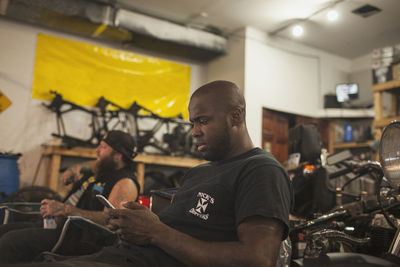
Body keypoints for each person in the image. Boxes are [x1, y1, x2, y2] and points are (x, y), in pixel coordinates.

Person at [10, 80, 293, 267]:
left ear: (236, 116)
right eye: (193, 122)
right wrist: (135, 223)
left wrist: (156, 232)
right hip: (123, 255)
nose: (194, 131)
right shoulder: (199, 173)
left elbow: (258, 259)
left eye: (203, 121)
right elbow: (177, 229)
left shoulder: (260, 170)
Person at [0, 130, 140, 263]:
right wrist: (72, 170)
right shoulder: (105, 167)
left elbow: (110, 220)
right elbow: (90, 164)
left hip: (77, 238)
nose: (97, 150)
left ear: (118, 156)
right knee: (3, 230)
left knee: (9, 241)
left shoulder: (125, 183)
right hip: (59, 226)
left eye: (103, 147)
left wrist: (67, 210)